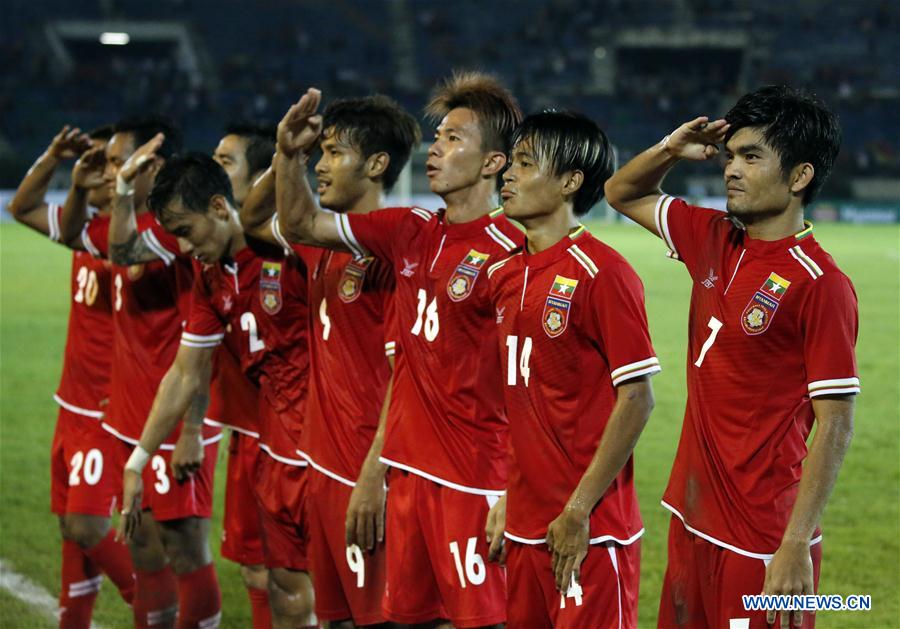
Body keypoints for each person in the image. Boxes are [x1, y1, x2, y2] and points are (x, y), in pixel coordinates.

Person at [272, 74, 523, 627]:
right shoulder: (410, 230)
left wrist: (514, 490)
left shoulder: (513, 254)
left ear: (492, 164)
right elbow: (299, 223)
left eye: (455, 139)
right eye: (437, 136)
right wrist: (287, 156)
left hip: (473, 481)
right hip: (408, 475)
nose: (436, 148)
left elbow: (531, 385)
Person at [604, 85, 859, 628]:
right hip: (691, 516)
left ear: (799, 176)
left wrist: (794, 545)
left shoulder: (821, 284)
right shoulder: (713, 238)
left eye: (751, 157)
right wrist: (672, 148)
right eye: (730, 156)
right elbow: (621, 192)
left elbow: (835, 422)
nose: (731, 170)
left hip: (765, 540)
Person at [118, 152, 315, 628]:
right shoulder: (211, 278)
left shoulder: (282, 247)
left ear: (219, 207)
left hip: (328, 443)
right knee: (284, 588)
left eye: (187, 230)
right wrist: (136, 461)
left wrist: (286, 156)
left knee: (351, 596)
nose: (184, 248)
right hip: (273, 441)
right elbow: (185, 373)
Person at [243, 95, 418, 626]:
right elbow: (252, 222)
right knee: (335, 616)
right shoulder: (320, 239)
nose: (320, 164)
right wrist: (285, 154)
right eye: (319, 152)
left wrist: (373, 476)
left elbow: (404, 376)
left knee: (379, 617)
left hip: (367, 471)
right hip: (322, 462)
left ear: (376, 164)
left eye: (334, 152)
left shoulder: (395, 250)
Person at [484, 110, 659, 628]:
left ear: (569, 181)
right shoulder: (503, 272)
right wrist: (507, 498)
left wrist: (579, 509)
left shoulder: (603, 272)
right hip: (525, 524)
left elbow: (638, 398)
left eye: (525, 163)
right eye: (510, 162)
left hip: (590, 530)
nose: (507, 175)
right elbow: (520, 404)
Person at [58, 116, 224, 629]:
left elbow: (201, 341)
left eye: (120, 161)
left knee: (186, 552)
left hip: (176, 418)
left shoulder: (180, 231)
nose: (113, 170)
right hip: (132, 416)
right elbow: (109, 246)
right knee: (148, 552)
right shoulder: (152, 226)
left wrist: (195, 428)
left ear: (151, 162)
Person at [8, 125, 136, 628]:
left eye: (112, 162)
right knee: (70, 528)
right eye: (98, 162)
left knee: (87, 525)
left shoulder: (126, 241)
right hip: (72, 405)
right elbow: (21, 209)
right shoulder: (86, 230)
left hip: (106, 414)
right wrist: (55, 159)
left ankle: (153, 605)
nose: (104, 172)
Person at [210, 122, 277, 628]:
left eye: (226, 162)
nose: (215, 169)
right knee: (255, 573)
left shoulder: (284, 250)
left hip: (297, 443)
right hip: (245, 437)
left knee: (305, 577)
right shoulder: (213, 257)